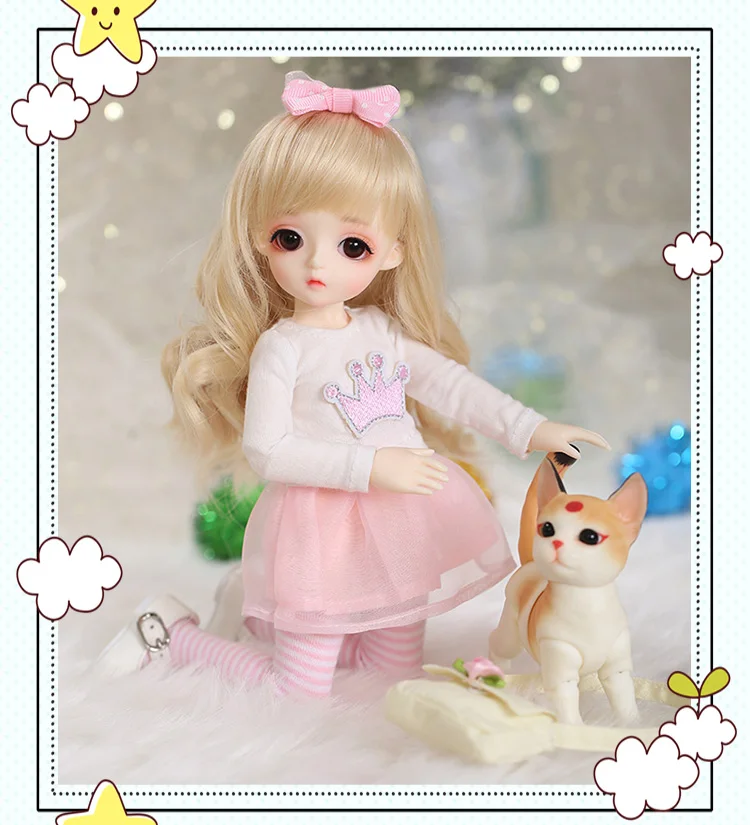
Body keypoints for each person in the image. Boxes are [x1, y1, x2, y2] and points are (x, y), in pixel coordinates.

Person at [98, 72, 608, 698]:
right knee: (299, 689)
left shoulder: (382, 333)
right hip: (318, 534)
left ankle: (270, 613)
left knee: (389, 675)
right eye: (291, 238)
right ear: (261, 239)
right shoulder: (283, 347)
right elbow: (269, 451)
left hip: (403, 527)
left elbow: (453, 387)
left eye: (352, 245)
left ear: (393, 251)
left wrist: (531, 428)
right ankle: (171, 633)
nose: (317, 262)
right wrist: (370, 467)